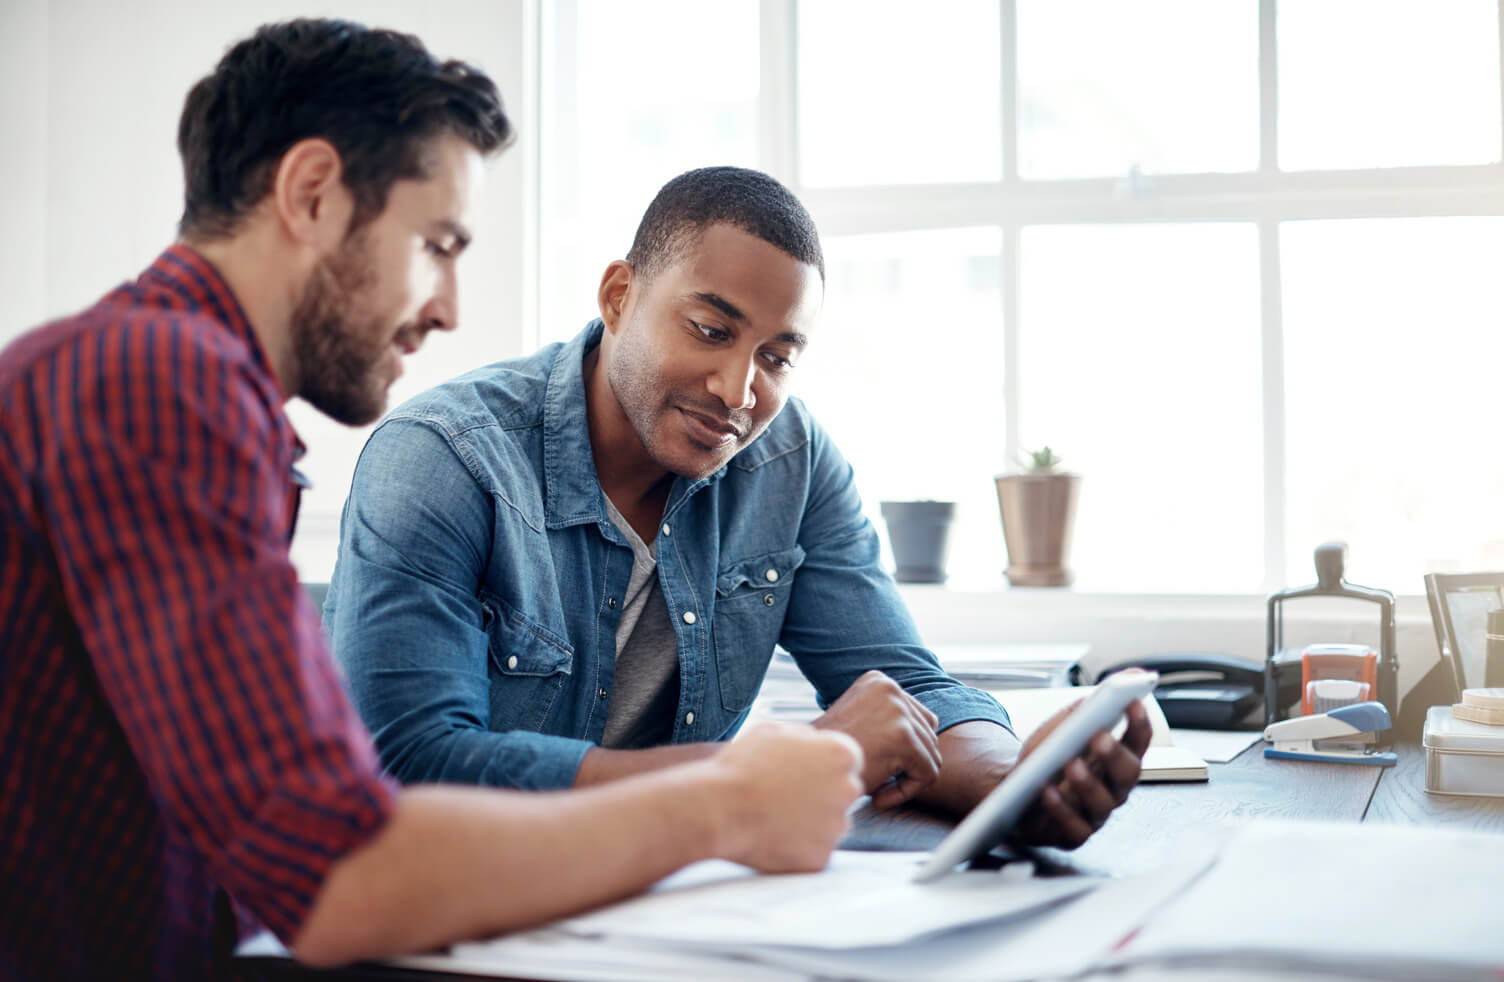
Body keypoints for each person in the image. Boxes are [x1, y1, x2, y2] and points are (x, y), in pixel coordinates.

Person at [0, 25, 863, 979]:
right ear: (313, 193)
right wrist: (729, 802)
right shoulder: (155, 383)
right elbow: (337, 871)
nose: (449, 305)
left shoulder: (161, 381)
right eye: (437, 245)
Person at [326, 165, 1151, 842]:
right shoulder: (442, 460)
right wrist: (776, 775)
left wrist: (1015, 785)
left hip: (673, 911)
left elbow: (902, 686)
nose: (739, 391)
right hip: (456, 916)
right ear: (619, 295)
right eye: (712, 331)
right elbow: (410, 769)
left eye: (778, 356)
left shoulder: (789, 462)